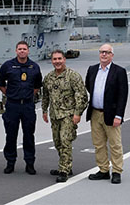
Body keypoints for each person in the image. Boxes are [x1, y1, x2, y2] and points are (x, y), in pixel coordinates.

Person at [0, 41, 42, 175]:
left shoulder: (34, 67)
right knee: (11, 135)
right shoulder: (7, 66)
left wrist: (27, 96)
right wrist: (10, 94)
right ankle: (10, 162)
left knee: (29, 135)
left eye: (24, 49)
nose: (22, 51)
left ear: (28, 51)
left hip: (28, 105)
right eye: (20, 49)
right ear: (16, 51)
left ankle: (30, 164)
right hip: (12, 105)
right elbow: (0, 83)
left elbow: (37, 86)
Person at [85, 44, 128, 184]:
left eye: (107, 52)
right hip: (95, 113)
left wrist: (119, 115)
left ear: (112, 55)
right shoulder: (92, 70)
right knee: (98, 144)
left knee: (115, 144)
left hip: (111, 114)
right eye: (101, 52)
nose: (104, 55)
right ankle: (103, 170)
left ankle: (116, 171)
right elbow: (88, 86)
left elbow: (123, 95)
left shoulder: (119, 71)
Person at [42, 50, 87, 182]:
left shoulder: (73, 76)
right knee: (57, 142)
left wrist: (77, 113)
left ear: (64, 59)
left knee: (65, 141)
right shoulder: (49, 77)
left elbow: (82, 95)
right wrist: (44, 110)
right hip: (55, 115)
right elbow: (45, 96)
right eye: (54, 59)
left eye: (59, 59)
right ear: (52, 61)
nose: (57, 61)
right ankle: (66, 164)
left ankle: (64, 169)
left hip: (68, 114)